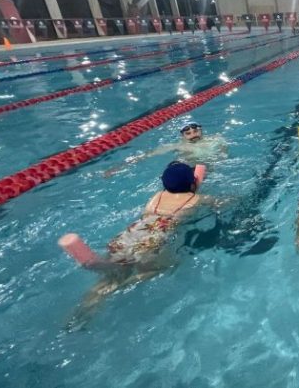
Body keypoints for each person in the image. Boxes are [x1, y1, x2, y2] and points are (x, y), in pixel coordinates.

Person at [72, 162, 211, 326]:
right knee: (167, 266)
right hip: (153, 240)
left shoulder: (157, 196)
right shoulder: (197, 199)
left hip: (129, 235)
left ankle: (80, 314)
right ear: (193, 183)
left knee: (107, 281)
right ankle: (128, 281)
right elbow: (220, 204)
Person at [104, 122, 227, 176]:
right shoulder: (177, 146)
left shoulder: (216, 139)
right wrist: (120, 167)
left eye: (195, 131)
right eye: (188, 133)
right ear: (182, 136)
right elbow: (147, 155)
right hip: (189, 174)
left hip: (214, 169)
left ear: (201, 130)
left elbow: (224, 152)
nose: (193, 134)